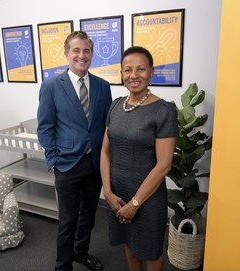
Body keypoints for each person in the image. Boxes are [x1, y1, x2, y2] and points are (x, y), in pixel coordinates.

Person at [37, 31, 112, 271]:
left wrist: (106, 158)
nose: (82, 55)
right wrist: (54, 160)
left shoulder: (102, 86)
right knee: (67, 221)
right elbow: (45, 127)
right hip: (67, 164)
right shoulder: (51, 86)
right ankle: (63, 265)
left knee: (88, 215)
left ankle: (81, 252)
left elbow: (104, 125)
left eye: (86, 51)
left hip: (95, 163)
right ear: (67, 54)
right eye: (76, 51)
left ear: (92, 54)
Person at [100, 46, 178, 271]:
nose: (134, 75)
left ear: (151, 72)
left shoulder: (163, 110)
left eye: (141, 69)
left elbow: (164, 166)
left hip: (147, 197)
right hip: (117, 194)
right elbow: (105, 151)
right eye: (128, 70)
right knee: (129, 242)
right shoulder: (115, 106)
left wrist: (135, 203)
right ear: (122, 74)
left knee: (150, 250)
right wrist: (108, 193)